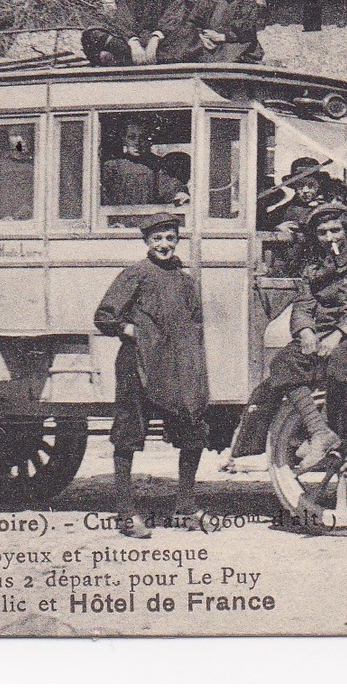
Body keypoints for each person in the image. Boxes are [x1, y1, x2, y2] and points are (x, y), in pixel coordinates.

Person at [231, 203, 347, 470]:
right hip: (322, 334)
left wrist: (338, 335)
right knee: (284, 363)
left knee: (338, 364)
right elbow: (303, 304)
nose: (330, 238)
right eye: (322, 232)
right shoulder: (313, 265)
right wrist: (306, 333)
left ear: (346, 229)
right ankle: (319, 432)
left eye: (335, 230)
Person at [93, 212, 209, 537]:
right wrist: (128, 329)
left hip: (175, 366)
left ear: (177, 241)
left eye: (170, 238)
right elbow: (103, 316)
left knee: (193, 428)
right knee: (129, 433)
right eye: (157, 239)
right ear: (147, 242)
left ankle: (185, 506)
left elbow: (195, 322)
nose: (164, 244)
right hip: (137, 364)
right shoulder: (136, 274)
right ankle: (126, 515)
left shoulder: (185, 280)